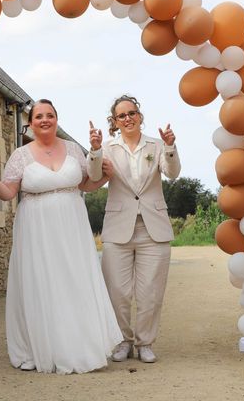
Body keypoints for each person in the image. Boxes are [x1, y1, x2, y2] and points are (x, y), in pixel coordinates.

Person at [0, 99, 122, 374]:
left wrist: (105, 178)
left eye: (50, 115)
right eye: (39, 116)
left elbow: (86, 185)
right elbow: (7, 193)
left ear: (57, 119)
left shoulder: (73, 149)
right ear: (30, 123)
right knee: (43, 282)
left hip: (72, 226)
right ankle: (44, 346)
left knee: (74, 280)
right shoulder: (20, 155)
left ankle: (80, 346)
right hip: (36, 228)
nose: (45, 120)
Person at [87, 94, 181, 363]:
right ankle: (122, 342)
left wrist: (171, 147)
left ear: (139, 116)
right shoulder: (106, 147)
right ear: (114, 122)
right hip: (118, 228)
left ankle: (145, 343)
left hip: (154, 228)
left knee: (150, 292)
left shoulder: (157, 144)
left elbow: (172, 173)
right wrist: (94, 151)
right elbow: (94, 176)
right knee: (117, 291)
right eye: (121, 116)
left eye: (132, 113)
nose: (128, 118)